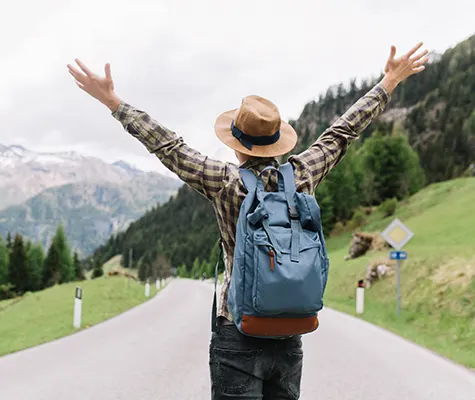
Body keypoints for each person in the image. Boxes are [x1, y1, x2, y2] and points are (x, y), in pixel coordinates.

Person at [67, 42, 428, 399]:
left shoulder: (224, 181)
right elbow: (342, 133)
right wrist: (389, 82)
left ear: (236, 145)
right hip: (289, 333)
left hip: (237, 331)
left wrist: (114, 103)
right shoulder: (303, 174)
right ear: (277, 142)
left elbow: (169, 147)